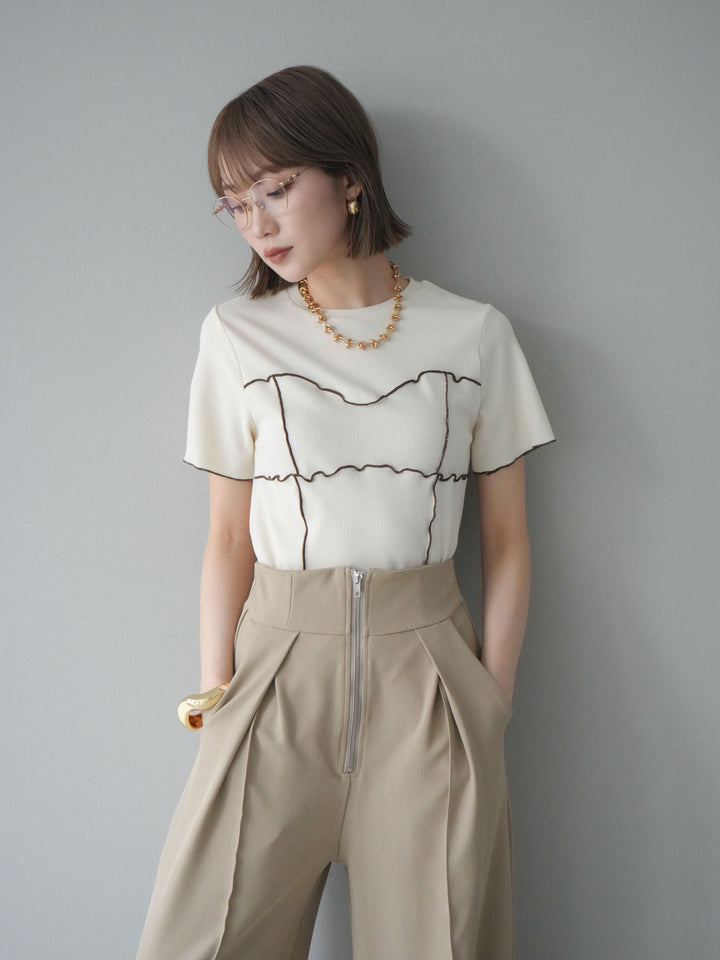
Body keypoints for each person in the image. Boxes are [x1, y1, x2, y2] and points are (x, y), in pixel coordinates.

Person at [135, 65, 555, 960]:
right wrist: (218, 695)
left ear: (350, 178)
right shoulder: (237, 335)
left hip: (429, 681)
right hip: (273, 677)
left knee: (437, 942)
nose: (257, 224)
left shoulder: (474, 334)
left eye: (276, 188)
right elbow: (227, 536)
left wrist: (490, 700)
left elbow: (508, 538)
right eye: (234, 205)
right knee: (202, 939)